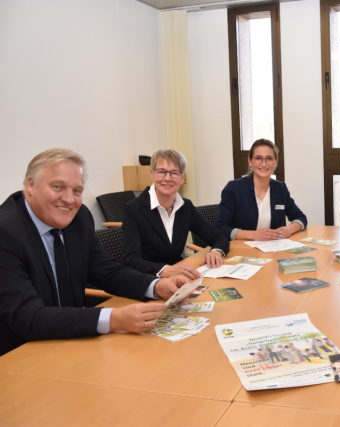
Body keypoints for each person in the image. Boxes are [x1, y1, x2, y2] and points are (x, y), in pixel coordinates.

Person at [0, 148, 187, 355]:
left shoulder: (79, 218)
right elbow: (28, 318)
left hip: (72, 341)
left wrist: (156, 286)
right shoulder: (5, 232)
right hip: (18, 354)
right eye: (57, 187)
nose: (69, 200)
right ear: (30, 186)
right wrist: (113, 319)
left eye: (77, 191)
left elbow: (107, 272)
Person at [122, 149, 229, 279]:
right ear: (152, 175)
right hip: (149, 282)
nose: (167, 178)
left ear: (182, 178)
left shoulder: (185, 207)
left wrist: (217, 251)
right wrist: (165, 270)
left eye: (174, 173)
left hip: (181, 279)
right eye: (161, 172)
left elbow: (218, 237)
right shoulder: (133, 210)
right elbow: (132, 260)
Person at [215, 139, 307, 241]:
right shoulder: (233, 188)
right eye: (258, 158)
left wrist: (289, 229)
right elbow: (220, 227)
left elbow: (300, 217)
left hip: (272, 250)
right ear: (250, 161)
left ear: (275, 163)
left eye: (269, 158)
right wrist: (254, 235)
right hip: (241, 250)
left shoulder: (280, 188)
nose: (264, 164)